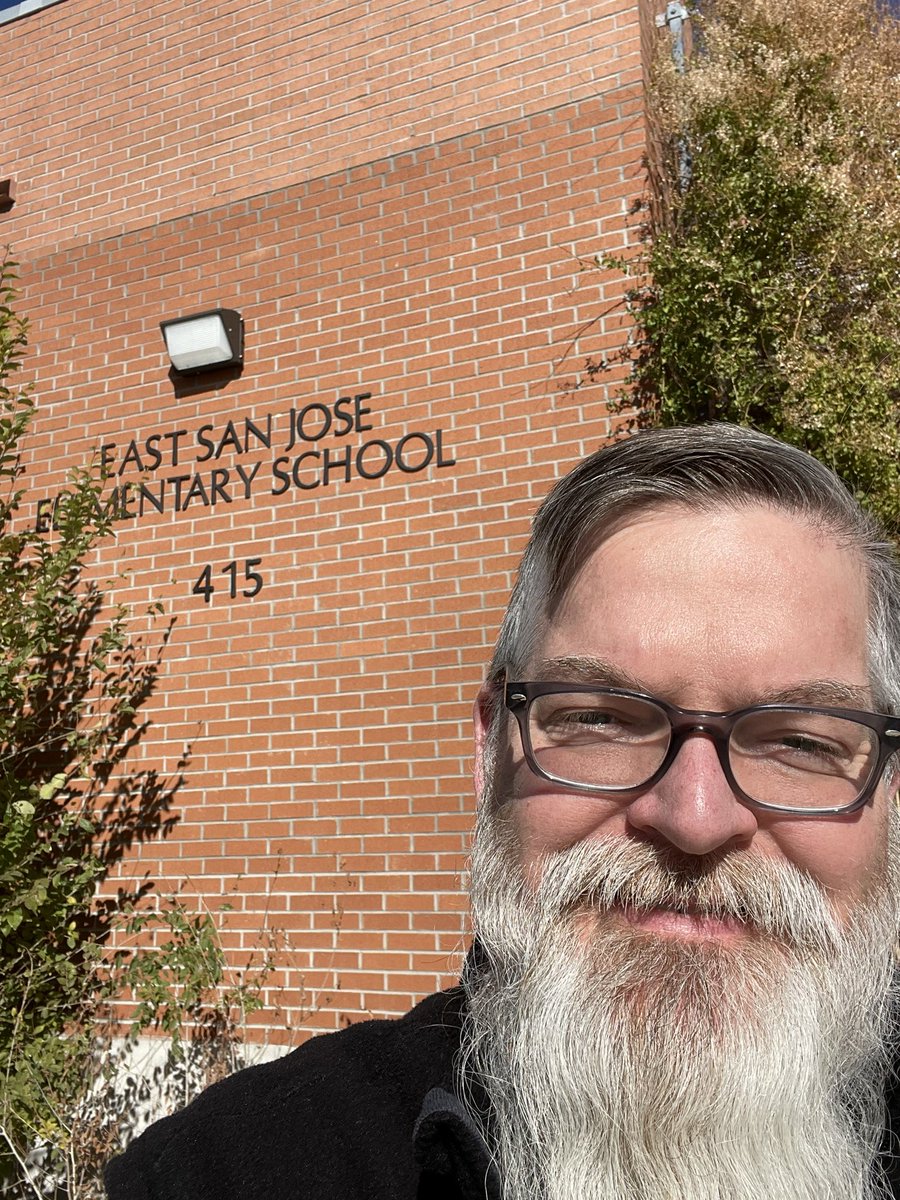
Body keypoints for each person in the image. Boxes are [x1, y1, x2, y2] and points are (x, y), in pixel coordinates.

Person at [105, 424, 900, 1200]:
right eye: (601, 721)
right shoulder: (230, 1169)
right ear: (492, 751)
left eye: (799, 741)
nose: (694, 818)